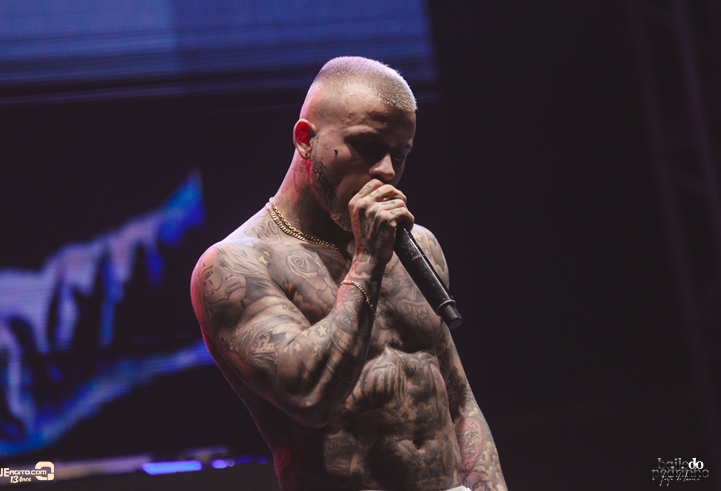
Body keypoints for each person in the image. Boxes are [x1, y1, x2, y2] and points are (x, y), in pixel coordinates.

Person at [190, 56, 507, 491]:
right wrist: (368, 261)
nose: (387, 171)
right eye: (367, 146)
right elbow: (310, 397)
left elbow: (458, 399)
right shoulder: (234, 265)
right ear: (305, 139)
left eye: (400, 154)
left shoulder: (419, 246)